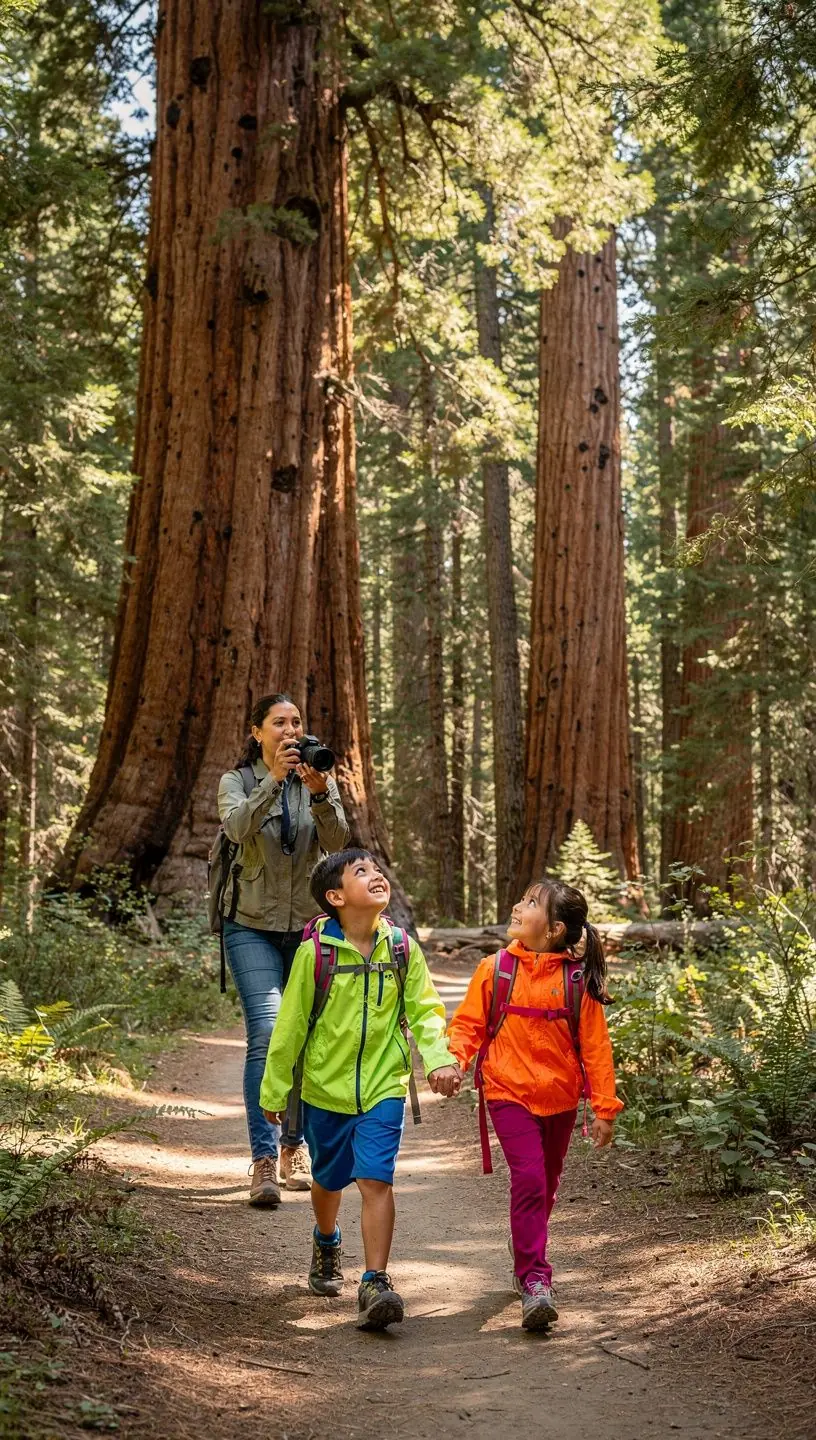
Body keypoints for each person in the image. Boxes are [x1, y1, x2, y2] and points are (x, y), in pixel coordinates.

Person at [259, 847, 461, 1331]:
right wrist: (274, 1090)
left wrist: (438, 1060)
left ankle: (375, 1280)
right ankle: (326, 1239)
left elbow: (426, 1011)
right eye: (360, 871)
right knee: (330, 1179)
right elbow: (288, 1028)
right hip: (324, 1091)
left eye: (376, 868)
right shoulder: (315, 953)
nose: (376, 875)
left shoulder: (401, 948)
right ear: (335, 896)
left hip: (384, 1086)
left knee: (375, 1179)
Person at [447, 878, 623, 1332]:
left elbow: (596, 1048)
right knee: (528, 1178)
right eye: (523, 898)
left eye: (530, 903)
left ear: (555, 929)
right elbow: (467, 1025)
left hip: (561, 1096)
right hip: (507, 1090)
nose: (517, 906)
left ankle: (524, 1244)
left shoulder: (577, 981)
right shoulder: (496, 968)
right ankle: (535, 1278)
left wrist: (604, 1107)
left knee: (545, 1183)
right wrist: (454, 1063)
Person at [218, 693, 349, 1207]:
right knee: (269, 1033)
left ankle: (295, 1145)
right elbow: (235, 829)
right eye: (279, 722)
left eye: (296, 721)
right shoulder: (239, 782)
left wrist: (320, 793)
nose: (290, 730)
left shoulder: (317, 775)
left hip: (307, 930)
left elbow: (338, 844)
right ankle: (264, 1159)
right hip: (249, 924)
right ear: (257, 732)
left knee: (306, 1040)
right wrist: (274, 781)